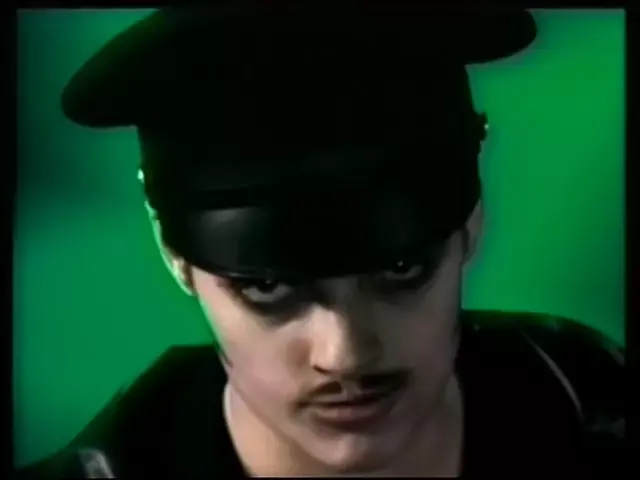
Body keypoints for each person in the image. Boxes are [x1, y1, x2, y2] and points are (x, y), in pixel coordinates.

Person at [17, 6, 623, 478]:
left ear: (472, 223)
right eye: (267, 286)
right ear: (174, 254)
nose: (345, 353)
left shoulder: (600, 407)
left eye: (402, 269)